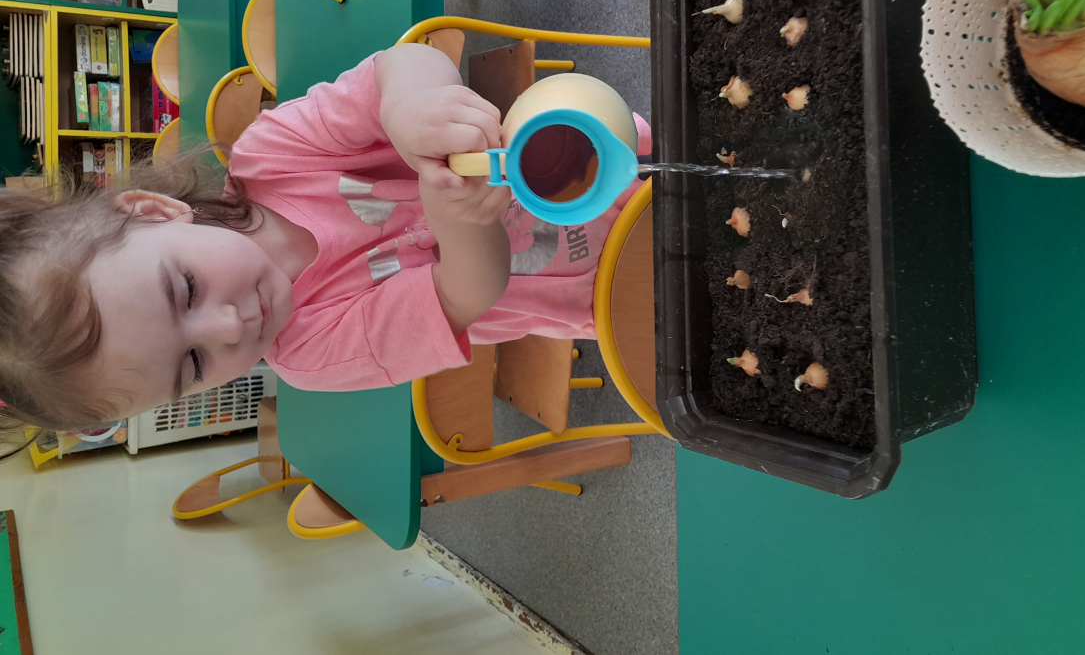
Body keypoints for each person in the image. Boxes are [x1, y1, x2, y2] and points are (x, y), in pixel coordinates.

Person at [0, 44, 650, 450]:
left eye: (186, 290)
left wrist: (409, 106)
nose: (228, 328)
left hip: (602, 158)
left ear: (153, 211)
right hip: (616, 291)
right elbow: (468, 294)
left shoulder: (270, 156)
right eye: (193, 364)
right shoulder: (310, 358)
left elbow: (401, 66)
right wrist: (460, 225)